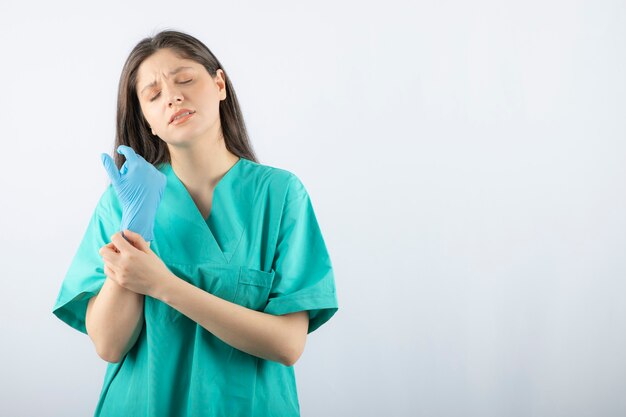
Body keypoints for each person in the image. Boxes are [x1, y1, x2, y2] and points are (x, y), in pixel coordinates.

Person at [52, 29, 339, 417]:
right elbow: (109, 344)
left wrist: (163, 285)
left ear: (219, 84)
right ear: (148, 120)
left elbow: (288, 344)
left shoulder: (280, 194)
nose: (172, 95)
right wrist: (135, 232)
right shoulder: (121, 205)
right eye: (153, 95)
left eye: (185, 79)